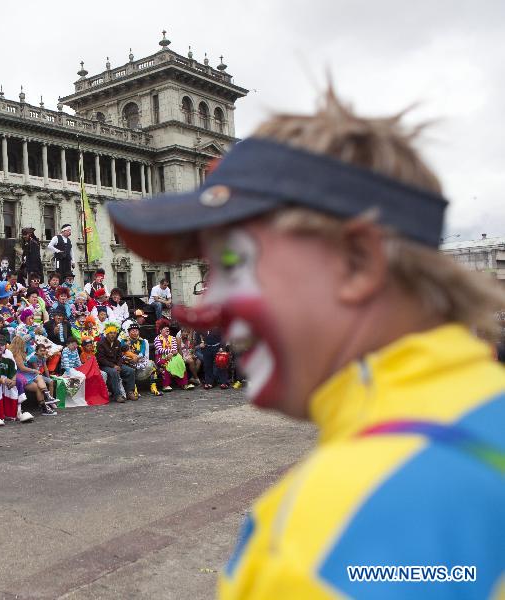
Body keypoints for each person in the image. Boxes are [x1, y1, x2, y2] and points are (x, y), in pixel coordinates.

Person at [107, 89, 505, 598]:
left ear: (359, 262)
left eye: (232, 265)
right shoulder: (479, 416)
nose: (205, 306)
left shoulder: (326, 535)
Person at [96, 322, 135, 403]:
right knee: (114, 372)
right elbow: (101, 359)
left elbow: (120, 356)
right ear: (106, 334)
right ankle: (117, 395)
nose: (112, 335)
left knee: (130, 371)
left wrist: (119, 365)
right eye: (110, 333)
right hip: (105, 365)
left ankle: (129, 392)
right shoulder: (101, 343)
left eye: (114, 333)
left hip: (116, 365)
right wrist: (113, 366)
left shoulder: (117, 342)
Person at [152, 319, 190, 392]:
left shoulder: (172, 338)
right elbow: (160, 350)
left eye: (167, 328)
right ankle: (166, 385)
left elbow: (175, 349)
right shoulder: (157, 339)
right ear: (160, 331)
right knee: (165, 363)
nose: (167, 329)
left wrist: (171, 353)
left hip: (173, 355)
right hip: (161, 356)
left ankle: (184, 384)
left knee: (180, 361)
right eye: (164, 328)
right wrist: (170, 352)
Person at [124, 323, 157, 397]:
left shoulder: (142, 341)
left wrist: (137, 357)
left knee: (152, 365)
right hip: (128, 361)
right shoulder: (124, 340)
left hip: (139, 360)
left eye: (136, 331)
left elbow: (142, 352)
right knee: (130, 368)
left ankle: (153, 387)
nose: (135, 332)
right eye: (132, 331)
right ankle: (133, 388)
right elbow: (123, 352)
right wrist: (131, 358)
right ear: (129, 332)